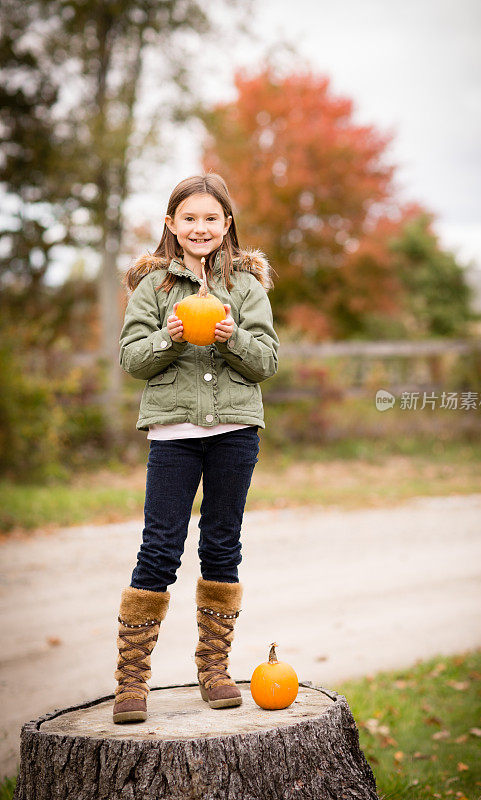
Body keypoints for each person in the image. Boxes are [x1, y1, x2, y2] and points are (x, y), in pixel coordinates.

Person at [112, 172, 279, 723]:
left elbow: (267, 363)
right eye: (190, 218)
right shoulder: (152, 288)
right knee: (159, 548)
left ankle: (213, 669)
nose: (200, 227)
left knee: (222, 545)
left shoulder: (248, 288)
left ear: (226, 224)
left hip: (234, 432)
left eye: (211, 218)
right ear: (171, 225)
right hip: (174, 435)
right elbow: (133, 359)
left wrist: (234, 338)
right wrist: (171, 336)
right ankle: (132, 681)